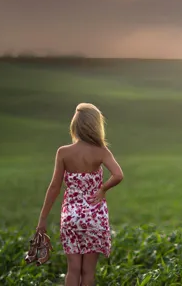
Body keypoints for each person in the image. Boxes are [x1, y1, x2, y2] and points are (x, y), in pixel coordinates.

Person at [36, 103, 124, 286]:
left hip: (71, 216)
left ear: (75, 126)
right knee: (88, 272)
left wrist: (42, 219)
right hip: (95, 216)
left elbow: (54, 187)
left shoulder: (63, 152)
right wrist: (102, 189)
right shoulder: (101, 151)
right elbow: (118, 175)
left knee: (73, 270)